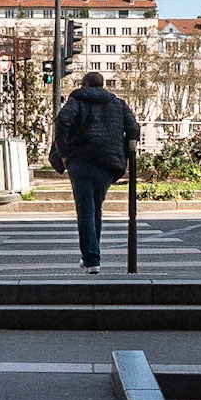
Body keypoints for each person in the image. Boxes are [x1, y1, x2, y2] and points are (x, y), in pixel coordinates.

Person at [50, 69, 139, 273]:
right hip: (107, 162)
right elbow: (133, 128)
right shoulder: (117, 103)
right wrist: (125, 153)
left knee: (85, 211)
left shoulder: (77, 101)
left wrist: (64, 153)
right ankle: (92, 254)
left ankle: (91, 259)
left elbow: (62, 121)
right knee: (95, 208)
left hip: (80, 160)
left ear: (84, 85)